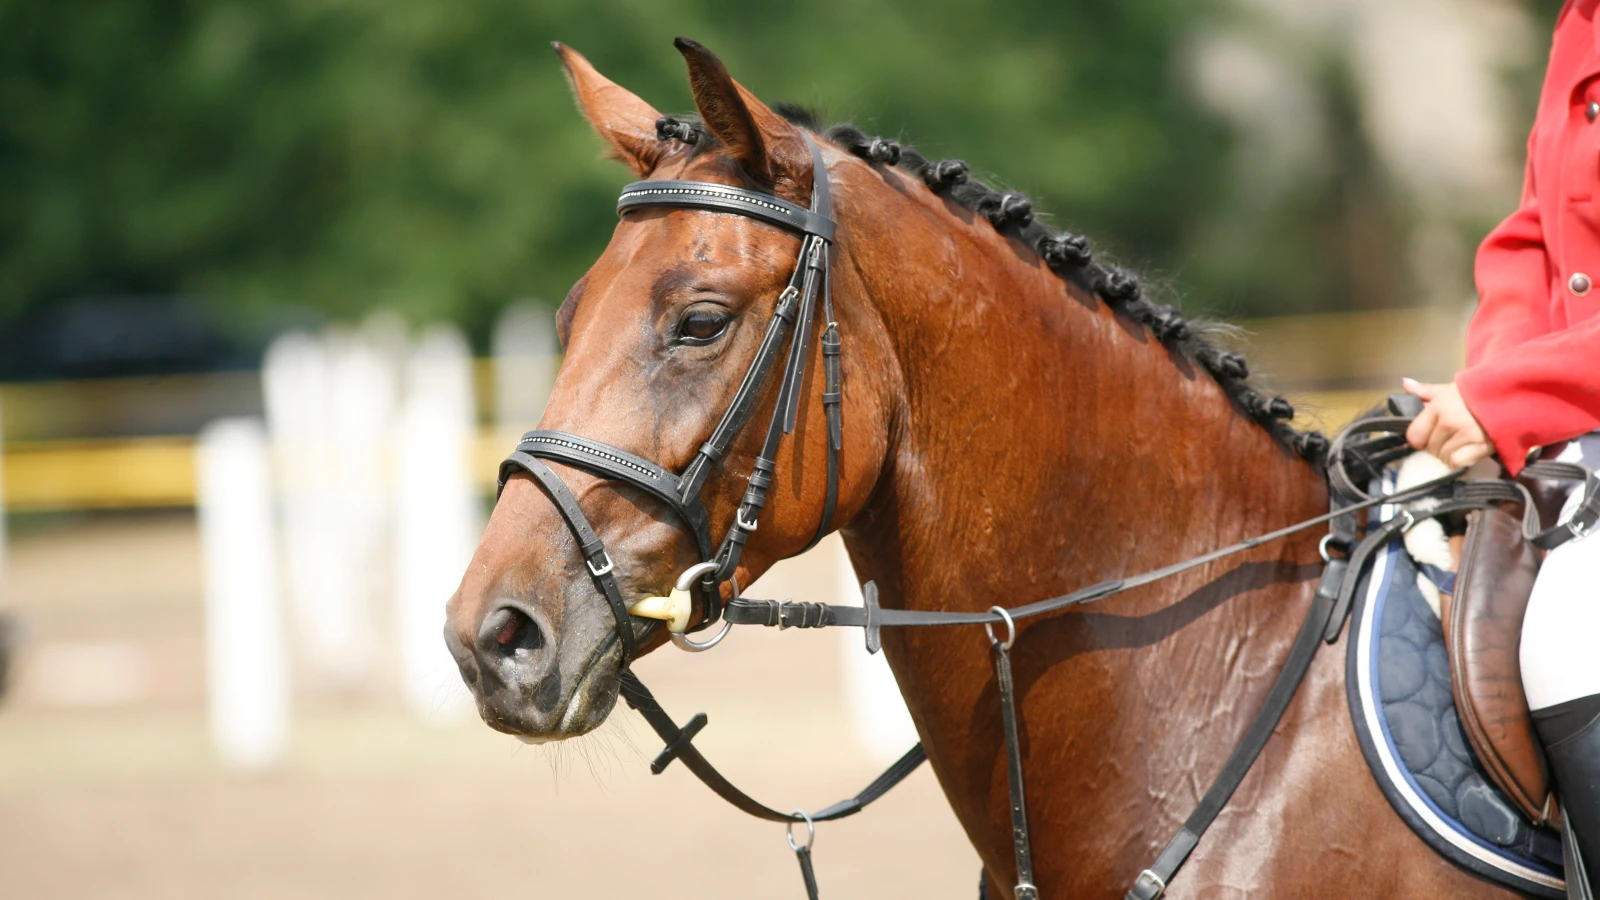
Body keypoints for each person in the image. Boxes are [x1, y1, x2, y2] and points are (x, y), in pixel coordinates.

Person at [1402, 0, 1600, 882]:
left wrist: (1509, 399)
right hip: (1573, 429)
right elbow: (1532, 238)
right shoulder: (1580, 20)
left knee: (1567, 637)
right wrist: (1488, 396)